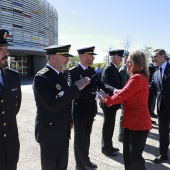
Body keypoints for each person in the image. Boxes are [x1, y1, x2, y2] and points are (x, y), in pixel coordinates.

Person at [32, 44, 90, 170]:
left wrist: (69, 119)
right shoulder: (41, 77)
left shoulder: (60, 75)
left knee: (62, 167)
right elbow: (53, 104)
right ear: (53, 58)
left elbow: (66, 100)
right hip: (49, 134)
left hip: (63, 131)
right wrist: (75, 87)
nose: (68, 60)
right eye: (64, 57)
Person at [100, 51, 152, 170]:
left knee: (135, 159)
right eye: (127, 61)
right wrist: (118, 93)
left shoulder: (137, 78)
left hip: (138, 124)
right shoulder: (136, 76)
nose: (126, 63)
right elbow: (126, 94)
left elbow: (122, 96)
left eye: (130, 61)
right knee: (128, 157)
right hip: (131, 123)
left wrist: (106, 99)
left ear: (138, 63)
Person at [67, 46, 105, 170]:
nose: (93, 57)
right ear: (84, 56)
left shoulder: (92, 70)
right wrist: (96, 95)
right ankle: (79, 165)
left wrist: (114, 90)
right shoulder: (73, 71)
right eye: (91, 55)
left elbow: (100, 84)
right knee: (79, 139)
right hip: (79, 111)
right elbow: (76, 93)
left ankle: (85, 160)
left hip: (90, 110)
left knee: (87, 137)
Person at [0, 29, 22, 170]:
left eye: (6, 48)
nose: (6, 53)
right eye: (1, 49)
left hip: (10, 146)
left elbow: (16, 107)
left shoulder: (13, 76)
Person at [100, 49, 124, 156]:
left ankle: (109, 145)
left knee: (111, 123)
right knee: (108, 124)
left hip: (112, 101)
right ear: (114, 57)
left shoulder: (113, 68)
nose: (121, 59)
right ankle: (106, 147)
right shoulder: (109, 68)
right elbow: (109, 86)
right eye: (120, 57)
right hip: (108, 101)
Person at [150, 49, 170, 163]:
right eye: (152, 57)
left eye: (155, 56)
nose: (153, 59)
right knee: (163, 132)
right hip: (161, 108)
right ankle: (163, 154)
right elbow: (151, 89)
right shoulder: (155, 73)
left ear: (163, 56)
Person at [118, 51, 130, 142]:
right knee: (123, 115)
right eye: (127, 58)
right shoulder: (123, 70)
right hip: (125, 96)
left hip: (128, 96)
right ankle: (121, 135)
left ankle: (124, 133)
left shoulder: (126, 69)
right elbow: (123, 85)